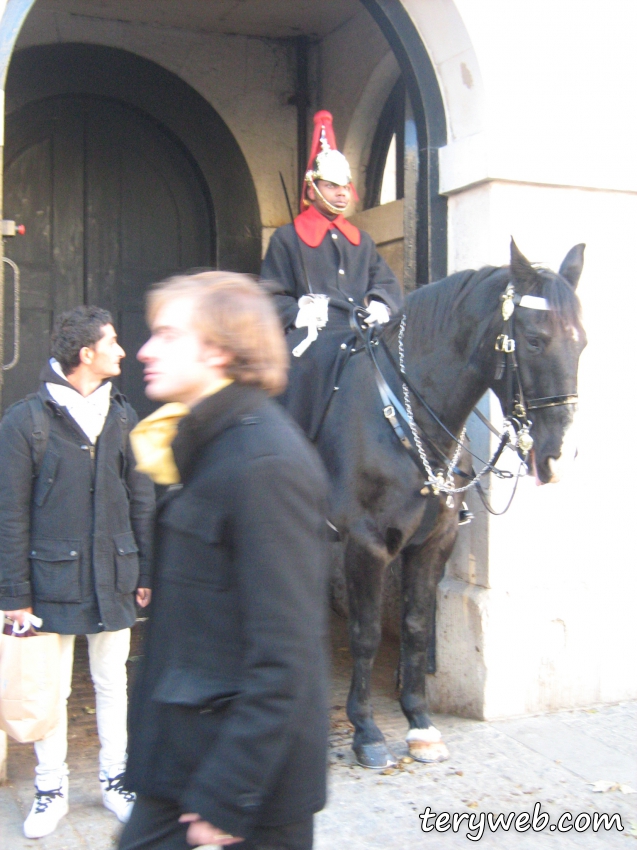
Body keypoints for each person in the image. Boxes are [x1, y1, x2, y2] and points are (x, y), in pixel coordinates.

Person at [120, 272, 330, 850]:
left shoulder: (265, 461)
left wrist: (227, 795)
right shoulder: (211, 445)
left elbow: (286, 653)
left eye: (165, 334)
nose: (144, 350)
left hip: (239, 792)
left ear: (216, 348)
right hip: (185, 764)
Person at [0, 306, 155, 839]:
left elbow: (141, 498)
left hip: (113, 571)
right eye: (112, 342)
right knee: (51, 689)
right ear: (85, 354)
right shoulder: (25, 420)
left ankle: (117, 781)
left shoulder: (122, 414)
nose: (122, 350)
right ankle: (51, 788)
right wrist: (13, 594)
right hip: (48, 582)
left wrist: (146, 569)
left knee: (114, 681)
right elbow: (9, 513)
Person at [261, 110, 404, 439]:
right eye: (331, 185)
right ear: (312, 189)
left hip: (361, 331)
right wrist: (299, 311)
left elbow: (384, 281)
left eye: (345, 186)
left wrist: (380, 304)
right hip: (314, 335)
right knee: (298, 372)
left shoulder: (361, 240)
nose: (342, 192)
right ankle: (298, 447)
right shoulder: (287, 238)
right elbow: (270, 296)